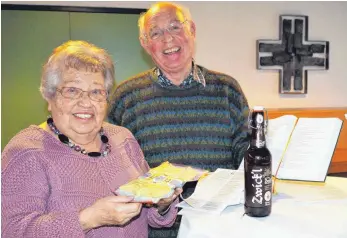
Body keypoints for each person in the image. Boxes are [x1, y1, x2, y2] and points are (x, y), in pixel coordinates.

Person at [1, 40, 182, 238]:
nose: (85, 102)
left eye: (96, 92)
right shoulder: (26, 151)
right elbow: (12, 231)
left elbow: (151, 215)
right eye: (72, 91)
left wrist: (162, 204)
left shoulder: (122, 138)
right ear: (49, 96)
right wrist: (88, 219)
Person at [108, 2, 249, 237]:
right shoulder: (126, 97)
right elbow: (111, 164)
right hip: (154, 229)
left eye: (175, 27)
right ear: (145, 44)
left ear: (191, 30)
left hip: (217, 226)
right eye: (156, 32)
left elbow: (245, 151)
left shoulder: (227, 89)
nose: (168, 39)